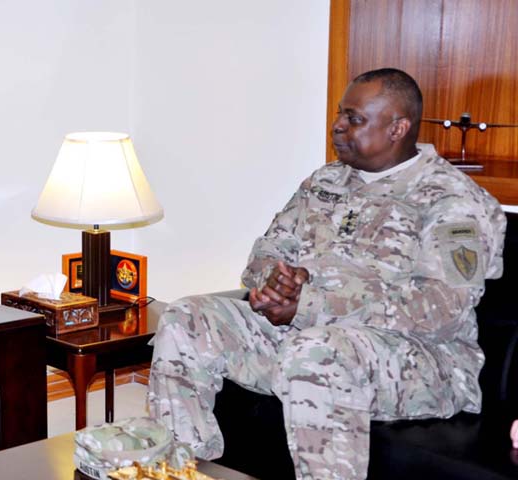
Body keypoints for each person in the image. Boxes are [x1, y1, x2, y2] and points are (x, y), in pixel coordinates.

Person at [148, 68, 506, 479]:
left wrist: (311, 305)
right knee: (185, 318)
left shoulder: (454, 201)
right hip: (304, 337)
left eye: (354, 118)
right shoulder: (326, 181)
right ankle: (181, 470)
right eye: (340, 114)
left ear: (398, 127)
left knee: (318, 351)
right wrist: (273, 286)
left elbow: (441, 309)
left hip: (425, 362)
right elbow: (267, 251)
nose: (337, 126)